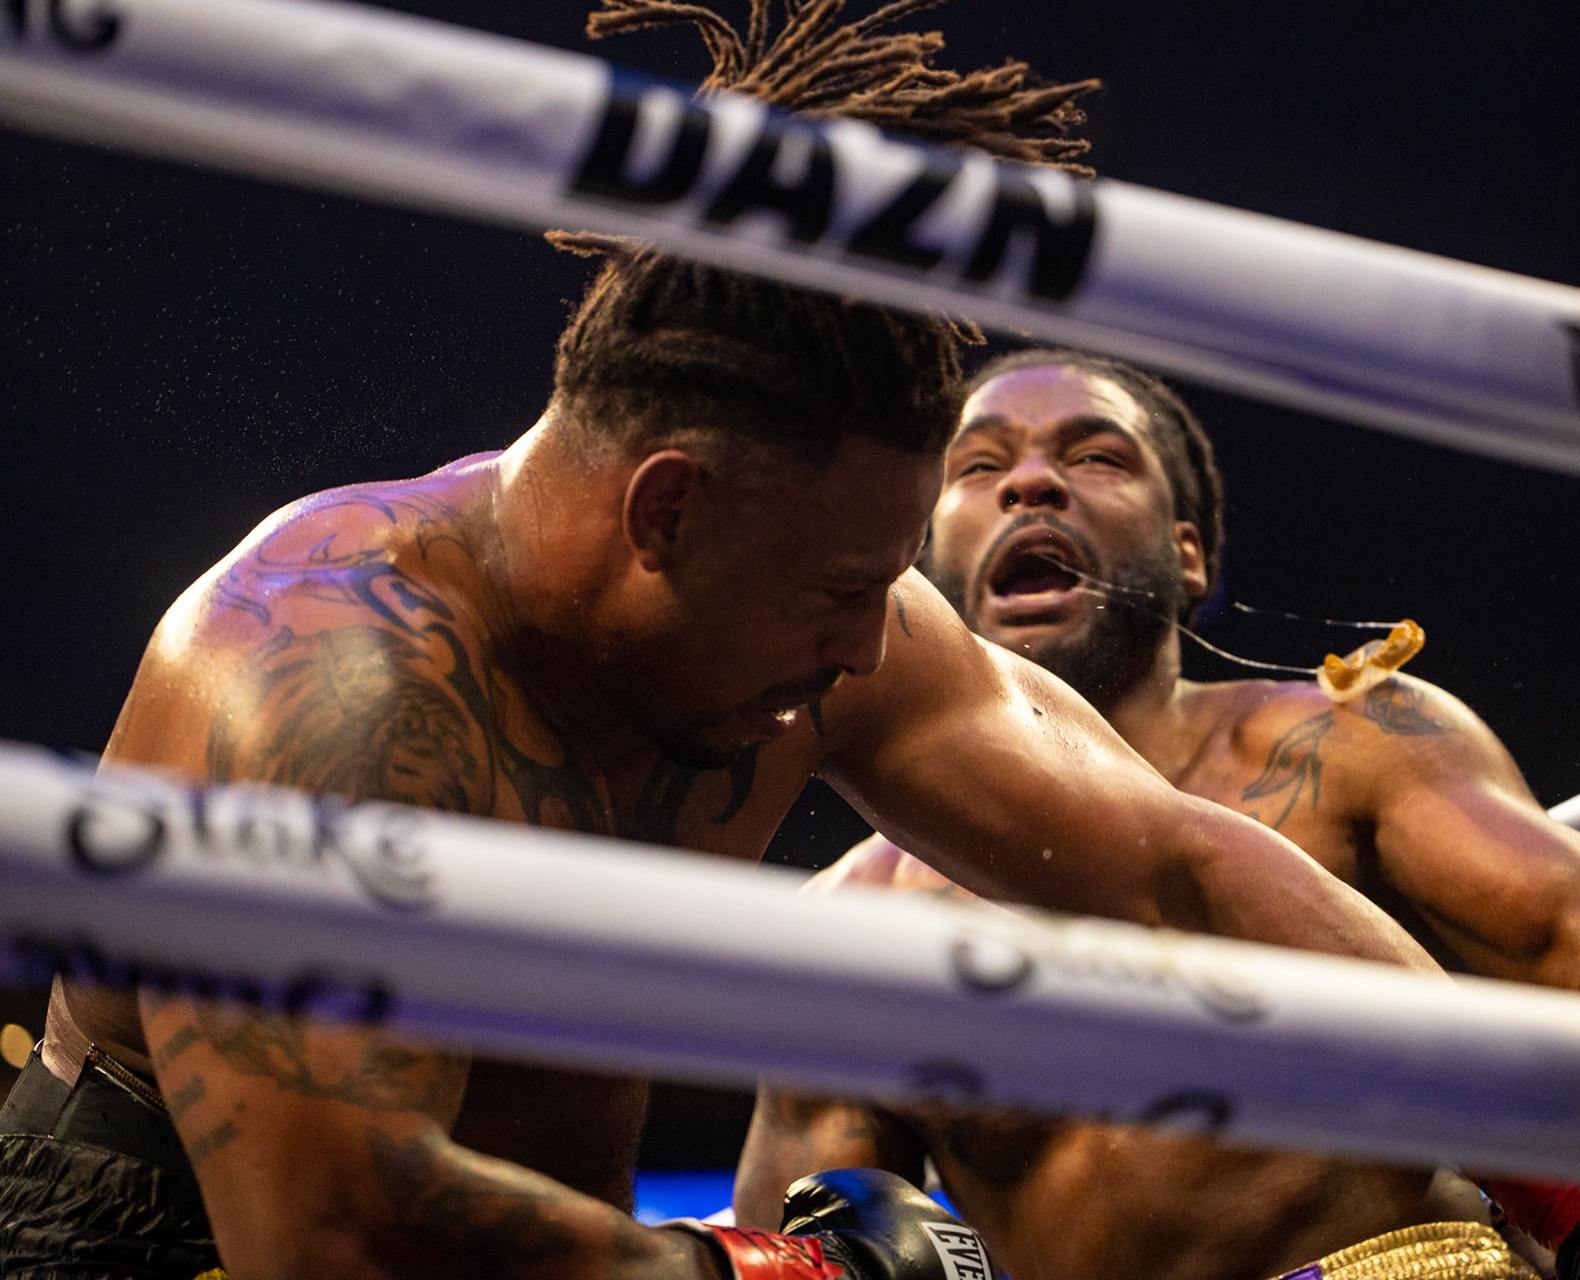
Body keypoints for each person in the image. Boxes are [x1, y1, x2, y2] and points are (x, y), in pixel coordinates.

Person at [0, 5, 1446, 1280]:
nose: (868, 636)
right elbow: (329, 1244)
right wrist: (766, 1278)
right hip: (169, 1240)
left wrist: (1551, 1185)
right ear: (668, 511)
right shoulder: (328, 685)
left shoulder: (826, 617)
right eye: (839, 589)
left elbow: (1185, 867)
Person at [734, 351, 1580, 1280]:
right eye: (977, 467)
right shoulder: (855, 916)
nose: (1030, 483)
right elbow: (813, 1236)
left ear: (1186, 553)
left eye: (1094, 455)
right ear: (923, 554)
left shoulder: (1345, 743)